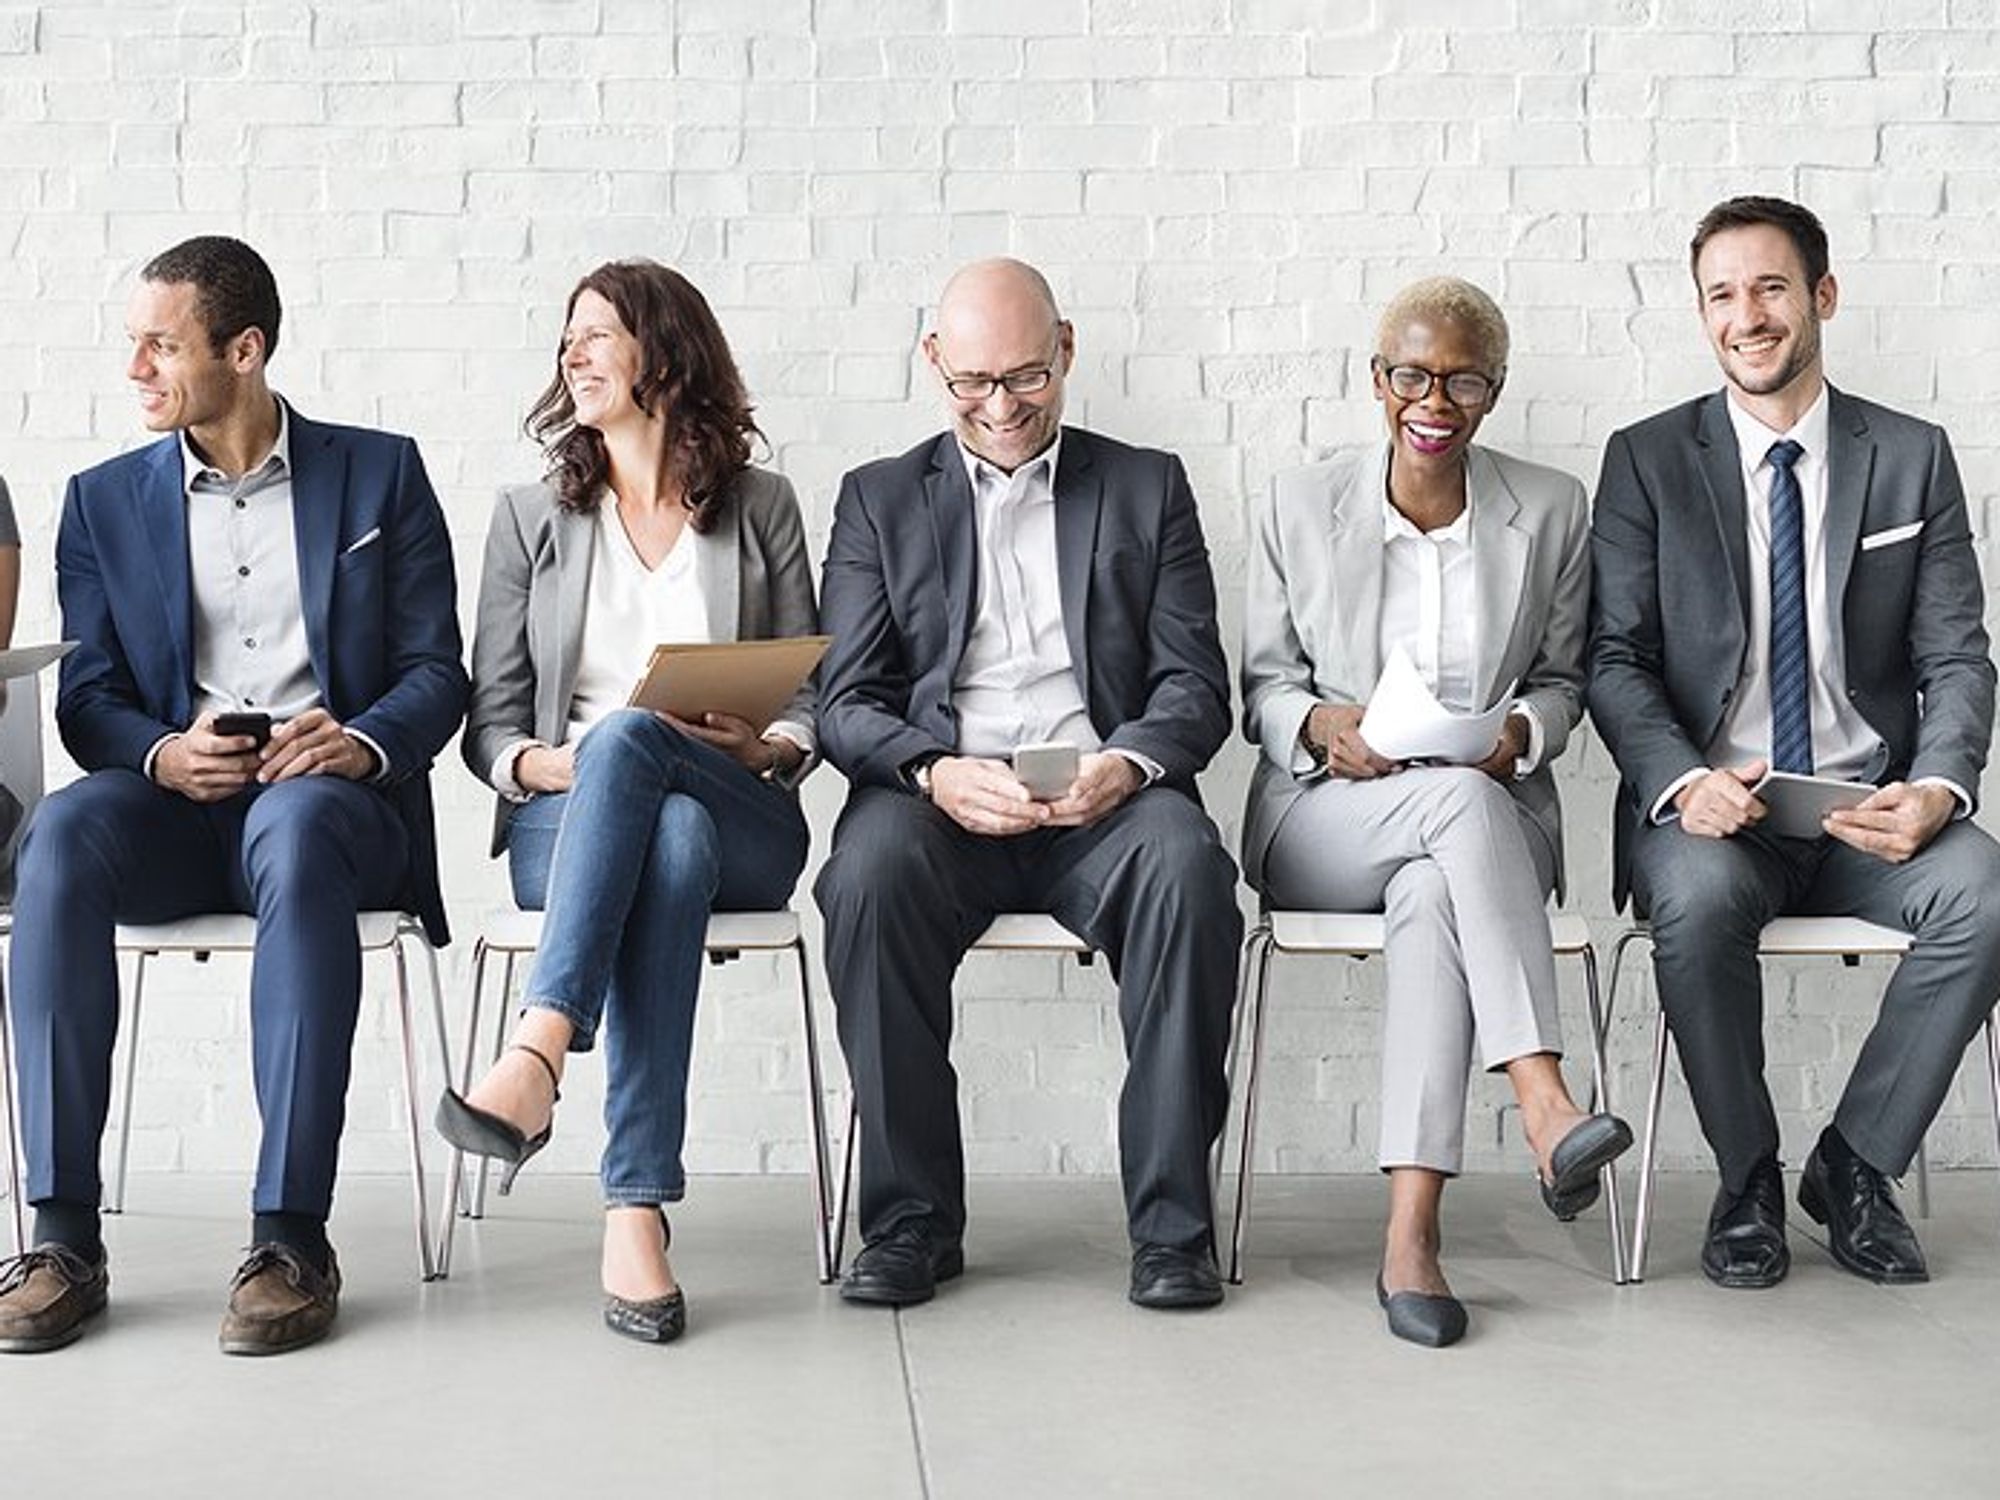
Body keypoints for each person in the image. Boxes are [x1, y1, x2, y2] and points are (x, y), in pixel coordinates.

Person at [0, 236, 467, 1355]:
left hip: (329, 808)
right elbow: (91, 698)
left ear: (244, 350)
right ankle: (62, 1234)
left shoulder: (380, 473)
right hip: (176, 805)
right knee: (60, 835)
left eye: (161, 346)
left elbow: (436, 671)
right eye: (135, 346)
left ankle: (290, 1238)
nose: (137, 371)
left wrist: (356, 741)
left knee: (298, 829)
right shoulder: (102, 501)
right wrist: (163, 753)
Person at [814, 258, 1242, 1312]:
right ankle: (911, 1223)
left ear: (1065, 349)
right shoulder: (876, 498)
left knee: (1189, 873)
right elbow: (843, 699)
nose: (999, 408)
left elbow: (1194, 685)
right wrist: (932, 770)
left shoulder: (1147, 485)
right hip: (940, 796)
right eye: (970, 383)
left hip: (1103, 793)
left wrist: (1125, 764)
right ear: (931, 363)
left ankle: (1171, 1231)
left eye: (1024, 379)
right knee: (862, 879)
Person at [1589, 196, 2000, 1290]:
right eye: (1719, 295)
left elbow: (1957, 658)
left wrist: (1936, 790)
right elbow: (1613, 659)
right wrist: (1680, 783)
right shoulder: (1644, 460)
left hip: (1869, 808)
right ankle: (1746, 1181)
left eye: (1768, 287)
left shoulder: (1908, 456)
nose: (1745, 315)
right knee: (1693, 902)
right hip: (1717, 818)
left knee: (1984, 896)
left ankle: (1854, 1167)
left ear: (1819, 297)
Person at [1241, 277, 1632, 1347]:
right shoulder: (1294, 501)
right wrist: (1323, 725)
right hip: (1325, 818)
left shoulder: (1547, 509)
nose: (1433, 398)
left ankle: (1409, 1237)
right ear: (1376, 380)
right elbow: (1260, 688)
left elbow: (1562, 681)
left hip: (1476, 829)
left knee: (1431, 895)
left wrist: (1522, 734)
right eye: (1409, 373)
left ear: (1492, 392)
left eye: (1461, 379)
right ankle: (1546, 1103)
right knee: (1450, 813)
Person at [435, 261, 818, 1344]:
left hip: (740, 797)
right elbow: (493, 726)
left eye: (598, 333)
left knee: (653, 759)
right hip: (569, 821)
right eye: (568, 340)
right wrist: (547, 765)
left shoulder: (760, 506)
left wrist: (771, 739)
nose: (574, 354)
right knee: (662, 826)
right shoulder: (530, 520)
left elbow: (815, 695)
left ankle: (538, 1053)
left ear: (666, 351)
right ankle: (633, 1207)